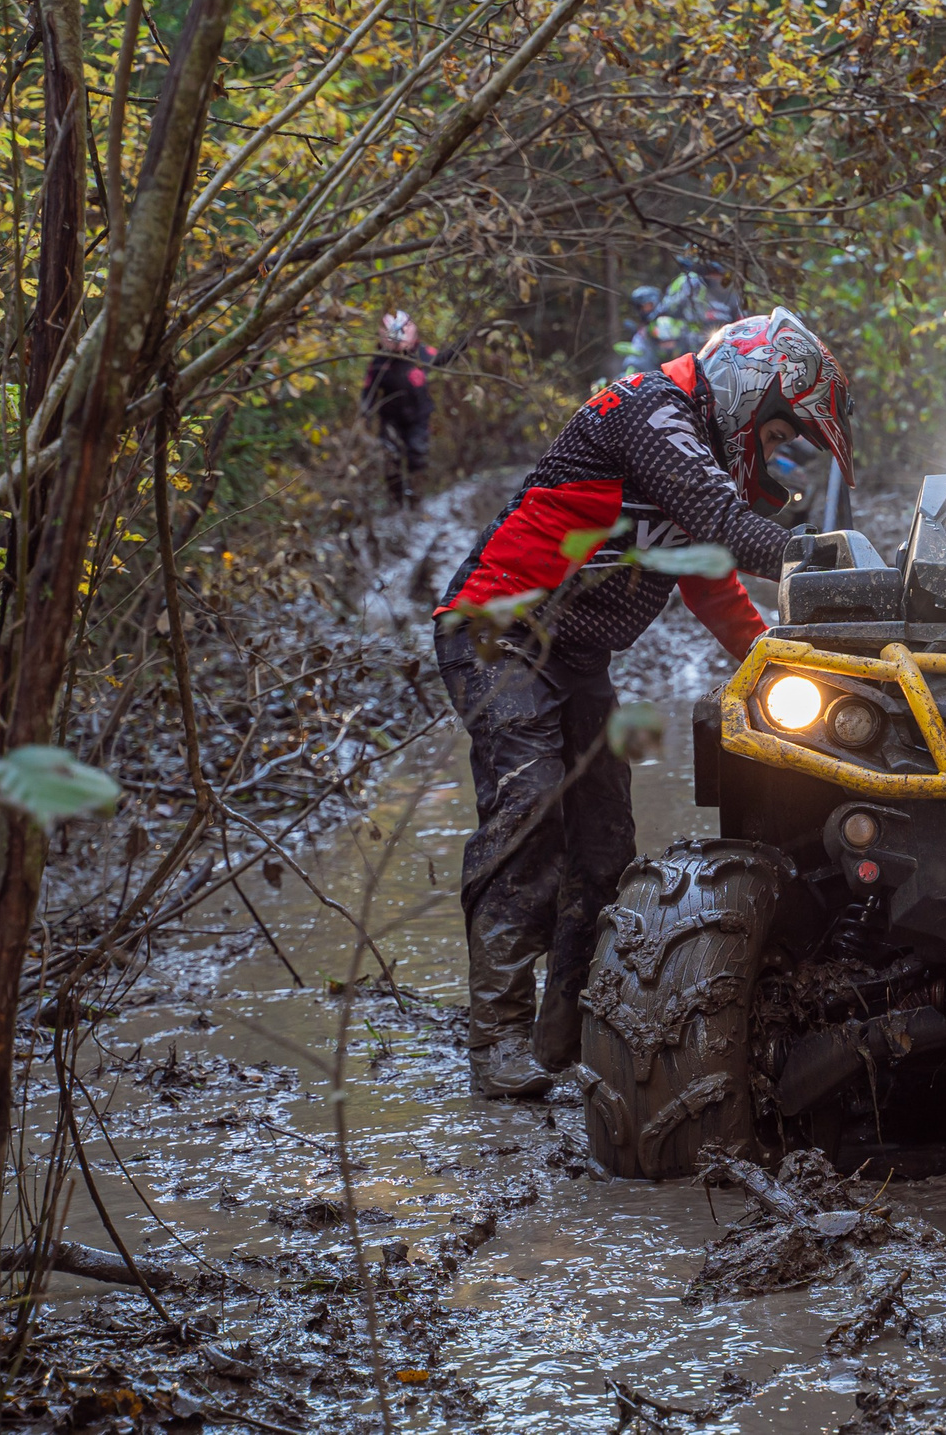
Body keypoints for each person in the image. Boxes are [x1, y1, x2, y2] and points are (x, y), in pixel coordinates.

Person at [433, 308, 856, 1097]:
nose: (770, 454)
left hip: (577, 654)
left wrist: (788, 663)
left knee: (604, 847)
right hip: (497, 628)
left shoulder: (691, 459)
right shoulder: (649, 410)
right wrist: (834, 561)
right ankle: (493, 1041)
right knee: (529, 808)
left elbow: (713, 586)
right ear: (748, 388)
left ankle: (559, 1043)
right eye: (772, 437)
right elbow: (728, 526)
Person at [361, 310, 436, 505]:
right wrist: (365, 412)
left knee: (417, 455)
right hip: (390, 417)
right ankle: (396, 502)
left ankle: (416, 500)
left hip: (419, 416)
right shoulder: (379, 361)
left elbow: (444, 359)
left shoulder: (424, 353)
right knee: (390, 458)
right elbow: (368, 389)